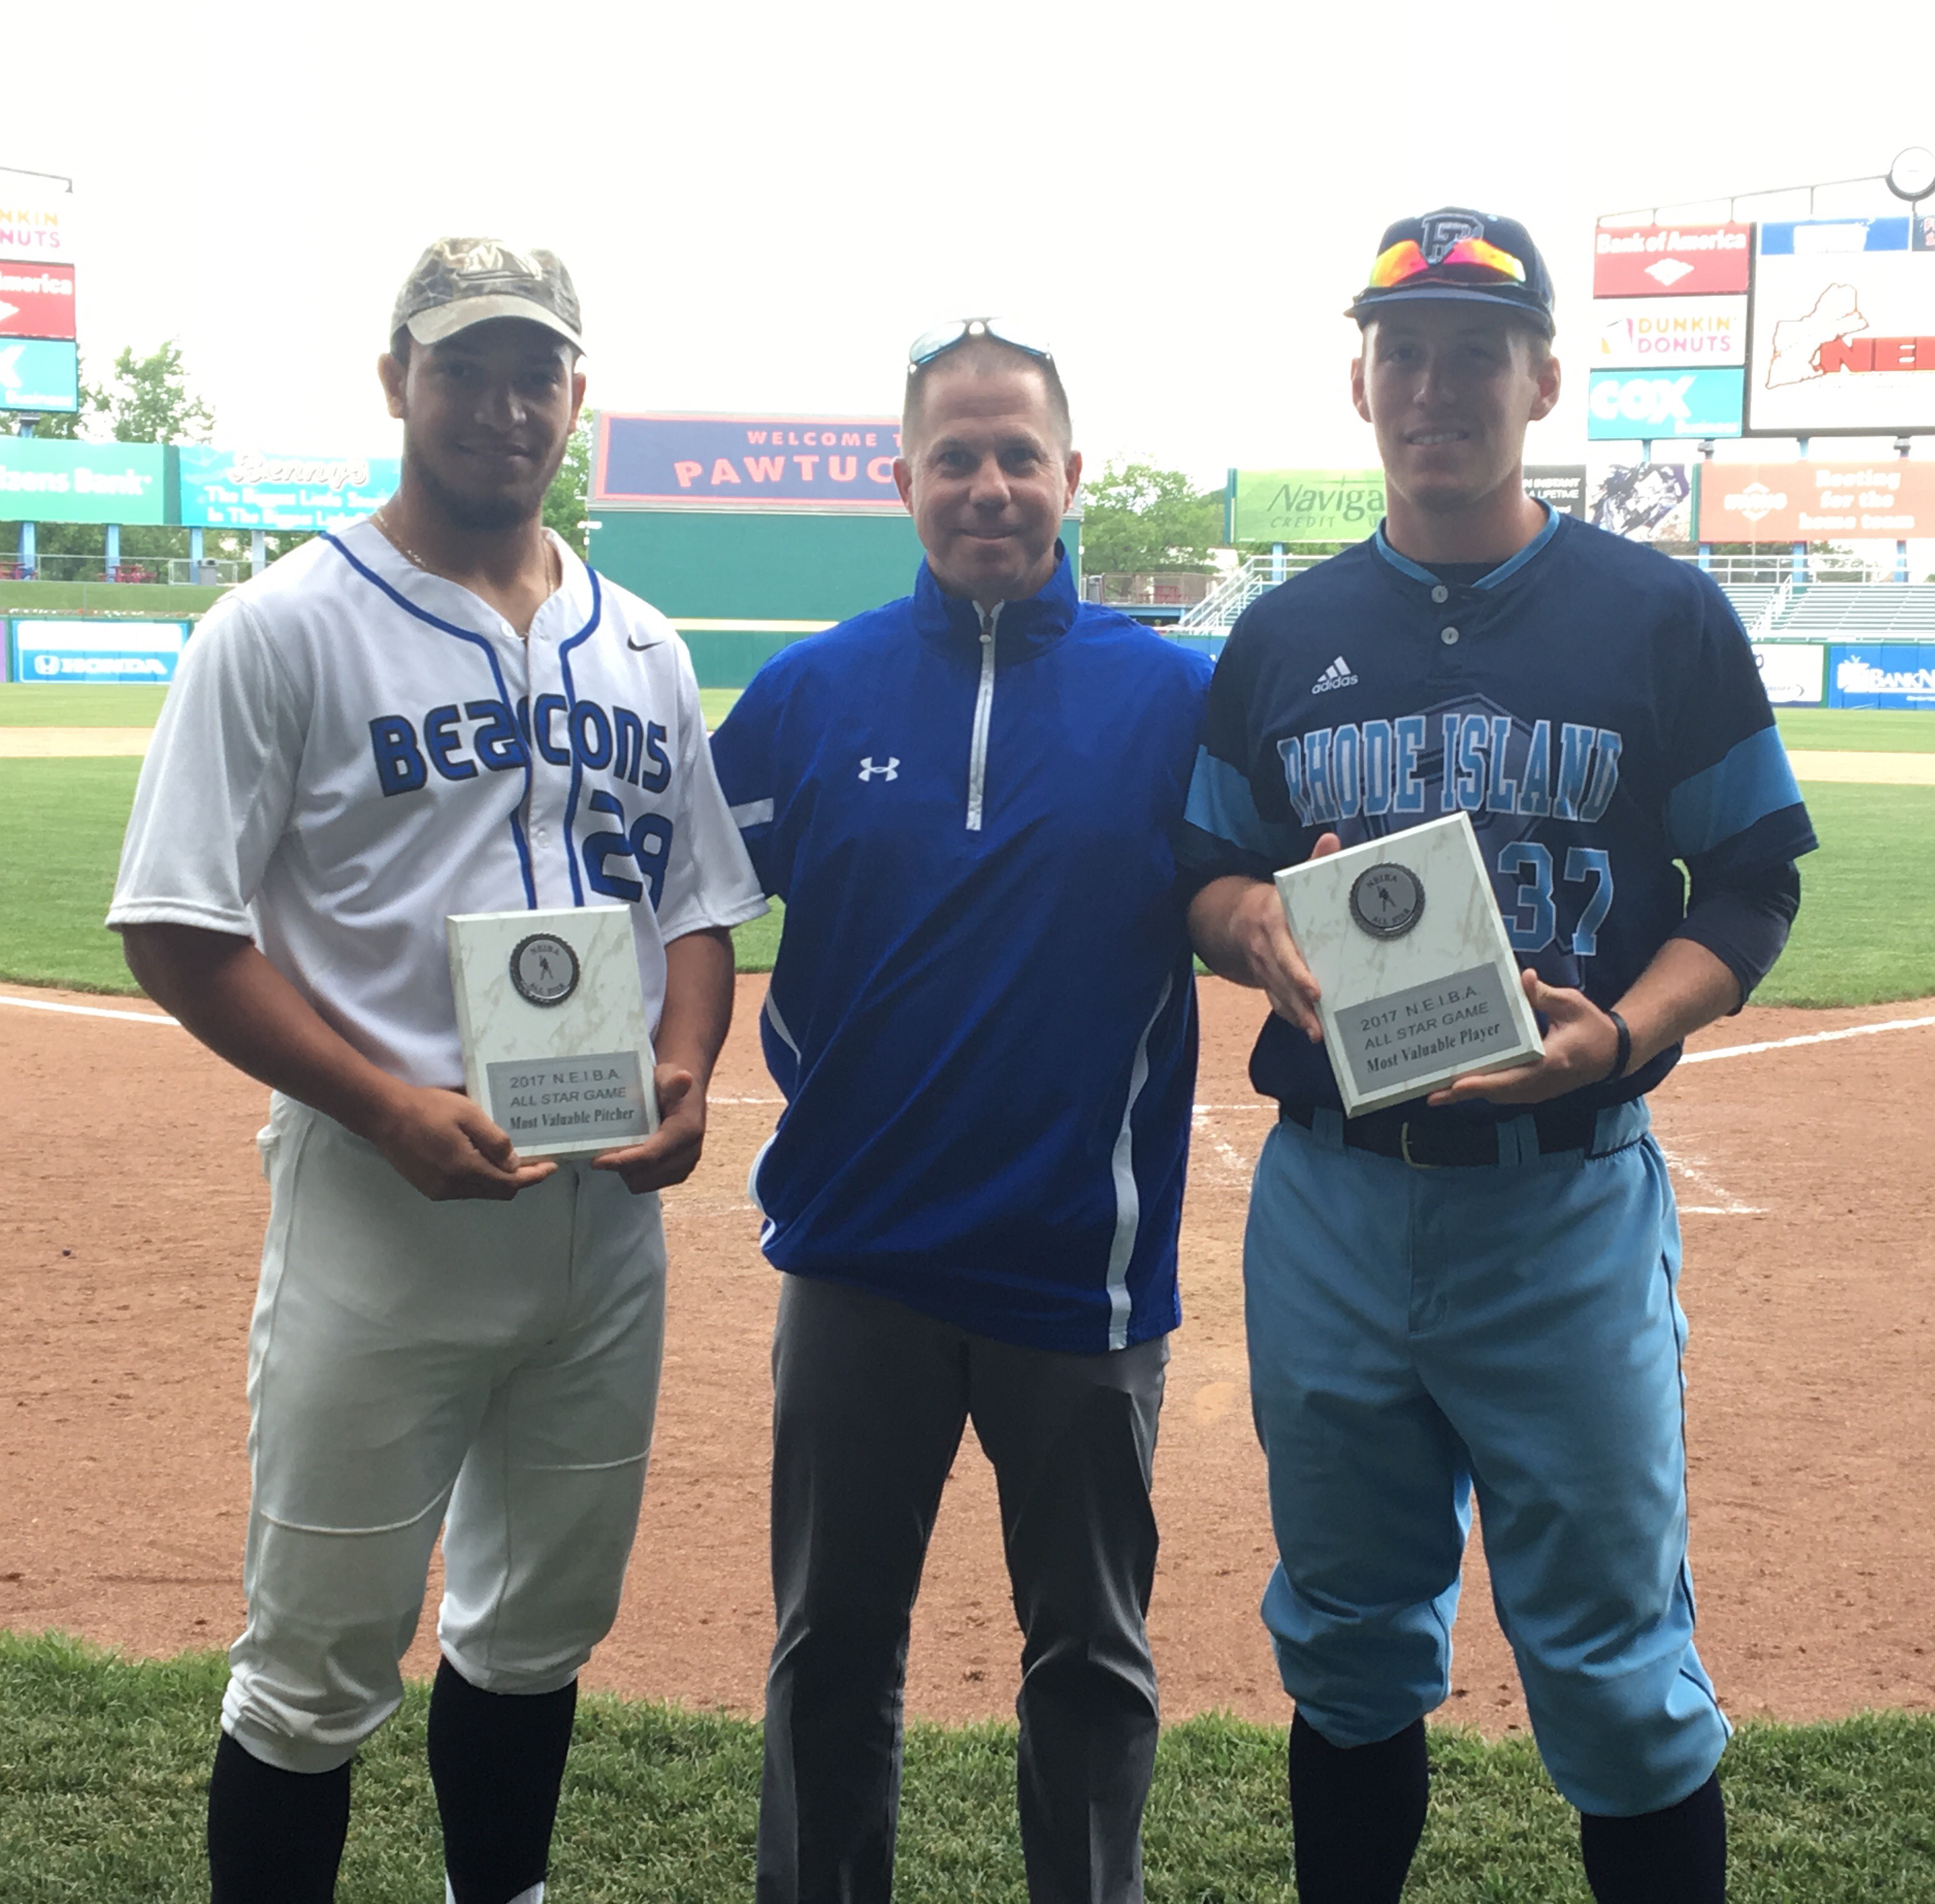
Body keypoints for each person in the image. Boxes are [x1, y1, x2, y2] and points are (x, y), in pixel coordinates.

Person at [108, 237, 765, 1904]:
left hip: (601, 1220)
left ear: (579, 401)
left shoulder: (646, 648)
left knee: (538, 1629)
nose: (501, 403)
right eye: (463, 366)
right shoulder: (281, 629)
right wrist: (386, 1106)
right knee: (318, 1659)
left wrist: (687, 1065)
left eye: (534, 370)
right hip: (378, 1214)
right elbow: (178, 929)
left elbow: (697, 906)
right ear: (396, 379)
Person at [1175, 209, 1819, 1904]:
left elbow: (1752, 886)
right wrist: (1256, 931)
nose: (1437, 383)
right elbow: (1206, 869)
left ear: (1542, 377)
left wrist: (1622, 1032)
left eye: (1478, 350)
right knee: (1348, 1636)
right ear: (1360, 381)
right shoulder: (1279, 634)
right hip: (1332, 1198)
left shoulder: (1659, 618)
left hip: (1562, 1205)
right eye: (1406, 350)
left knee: (1612, 1662)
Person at [708, 320, 1210, 1904]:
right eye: (955, 458)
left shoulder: (1177, 704)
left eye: (1018, 457)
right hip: (856, 1263)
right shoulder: (807, 696)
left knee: (1090, 1661)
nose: (988, 487)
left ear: (1073, 473)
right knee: (831, 1649)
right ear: (902, 477)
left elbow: (1296, 897)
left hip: (1086, 1275)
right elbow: (670, 902)